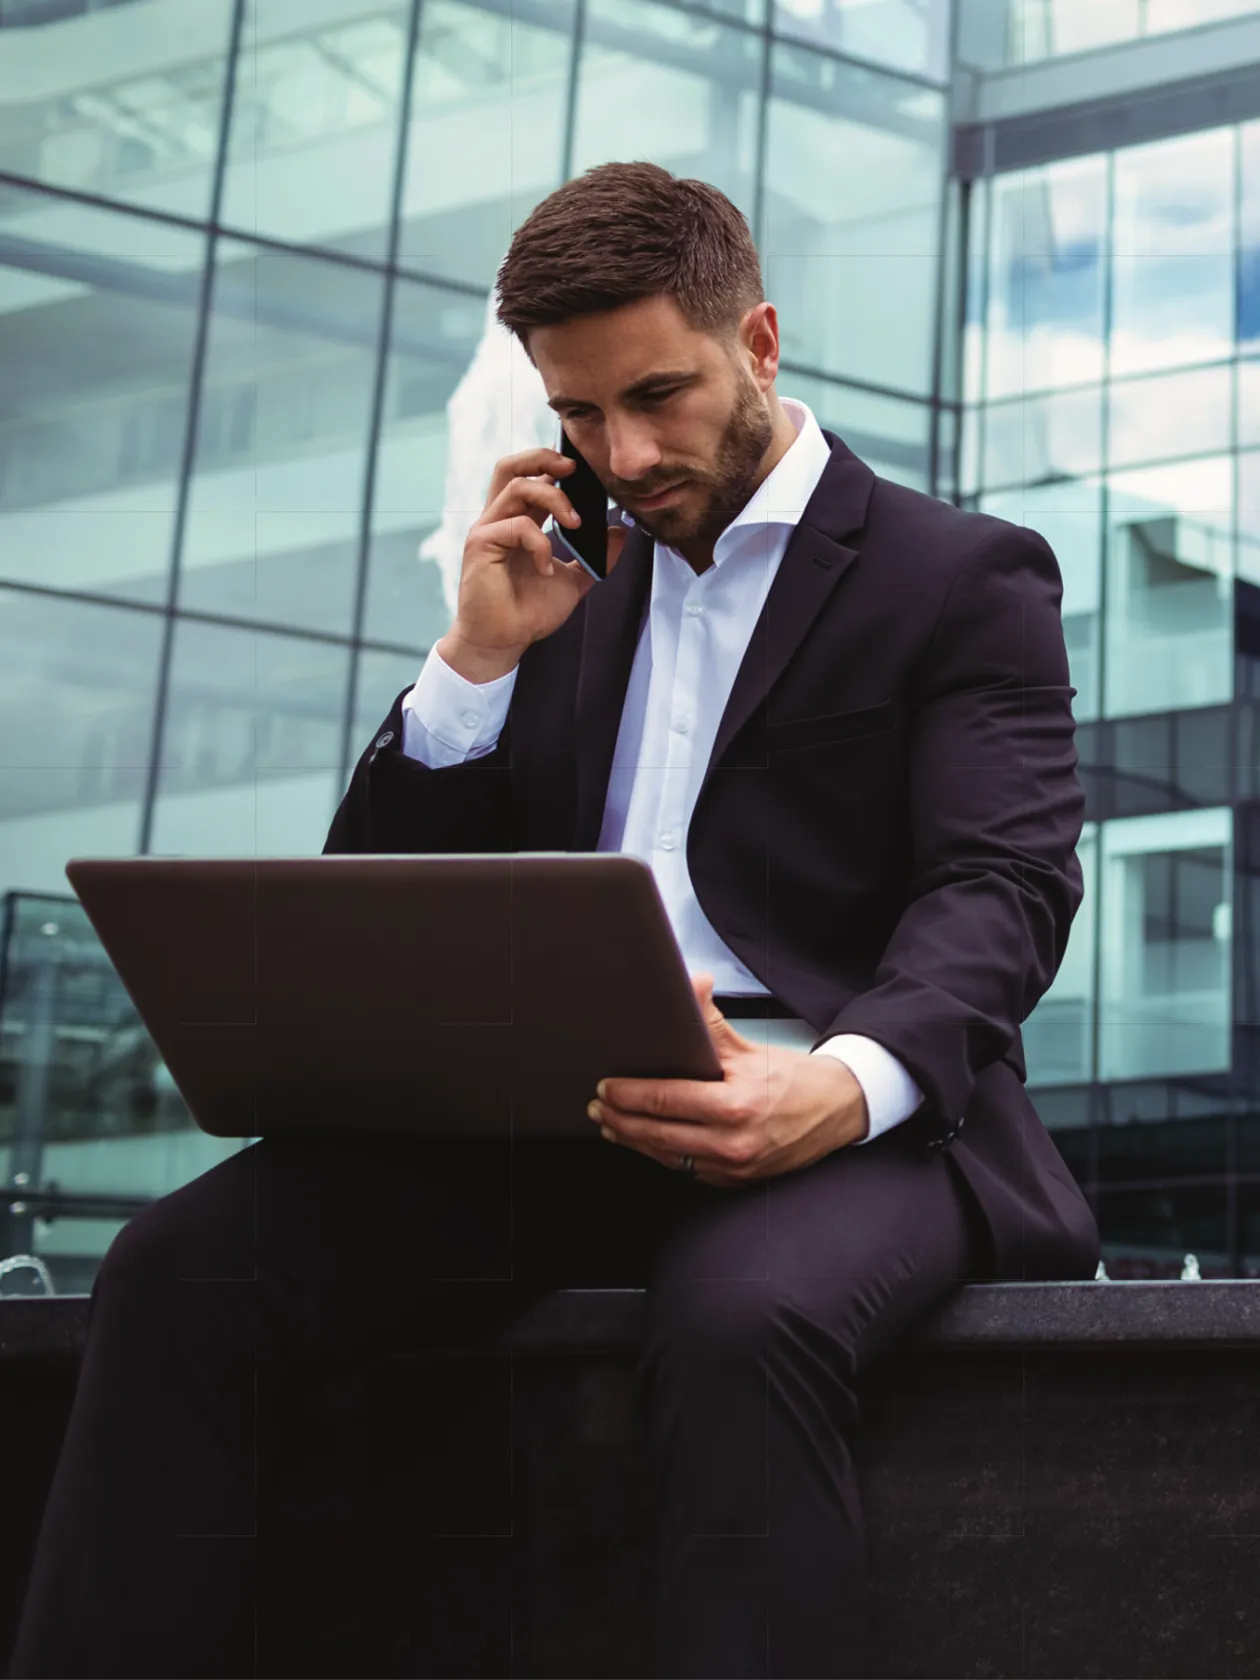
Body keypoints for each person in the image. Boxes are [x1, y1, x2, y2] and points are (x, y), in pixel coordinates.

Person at [8, 161, 1100, 1680]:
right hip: (549, 1119)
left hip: (852, 1122)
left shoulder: (959, 575)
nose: (624, 452)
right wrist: (470, 668)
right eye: (579, 413)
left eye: (659, 394)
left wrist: (836, 1087)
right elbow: (380, 907)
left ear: (761, 343)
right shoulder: (560, 573)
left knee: (740, 1320)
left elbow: (1005, 885)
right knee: (181, 1269)